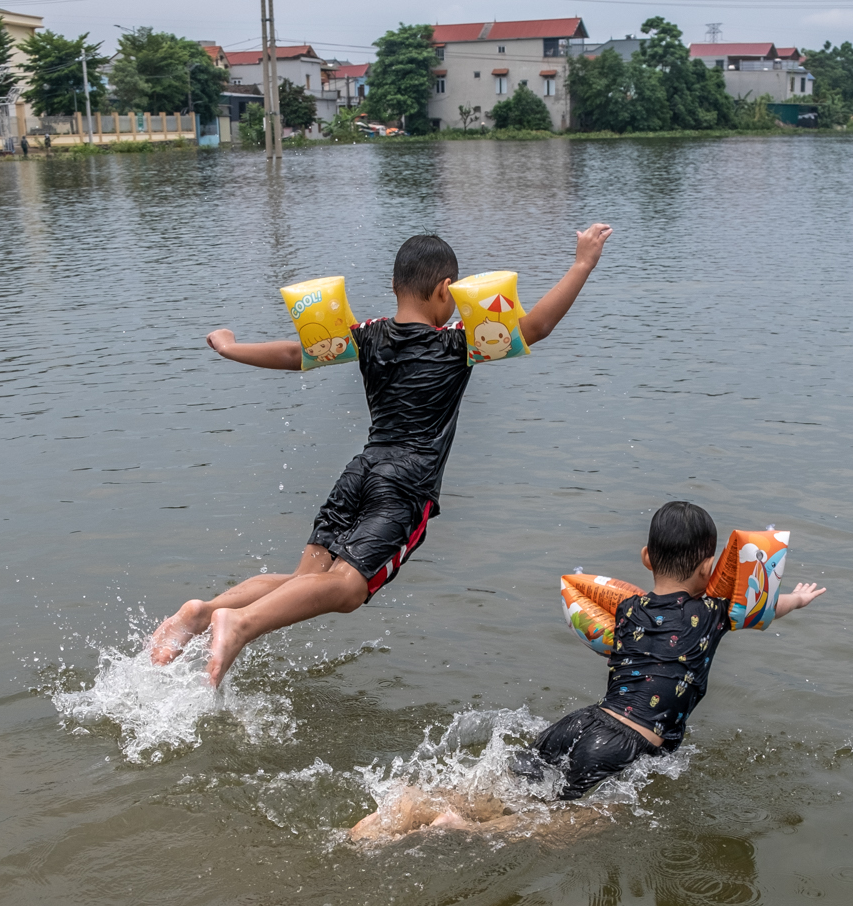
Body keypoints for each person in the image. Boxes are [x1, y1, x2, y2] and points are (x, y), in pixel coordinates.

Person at [149, 224, 615, 685]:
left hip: (360, 472)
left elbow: (296, 355)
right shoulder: (459, 343)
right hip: (406, 484)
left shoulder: (368, 335)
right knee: (347, 590)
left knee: (304, 581)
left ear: (394, 286)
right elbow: (537, 326)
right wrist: (582, 263)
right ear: (445, 290)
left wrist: (231, 348)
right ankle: (238, 624)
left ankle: (204, 613)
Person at [348, 501, 826, 840]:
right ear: (708, 569)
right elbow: (759, 611)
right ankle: (464, 831)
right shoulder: (713, 614)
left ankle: (410, 806)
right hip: (627, 743)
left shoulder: (628, 611)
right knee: (587, 821)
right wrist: (797, 600)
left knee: (512, 789)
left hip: (580, 724)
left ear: (646, 558)